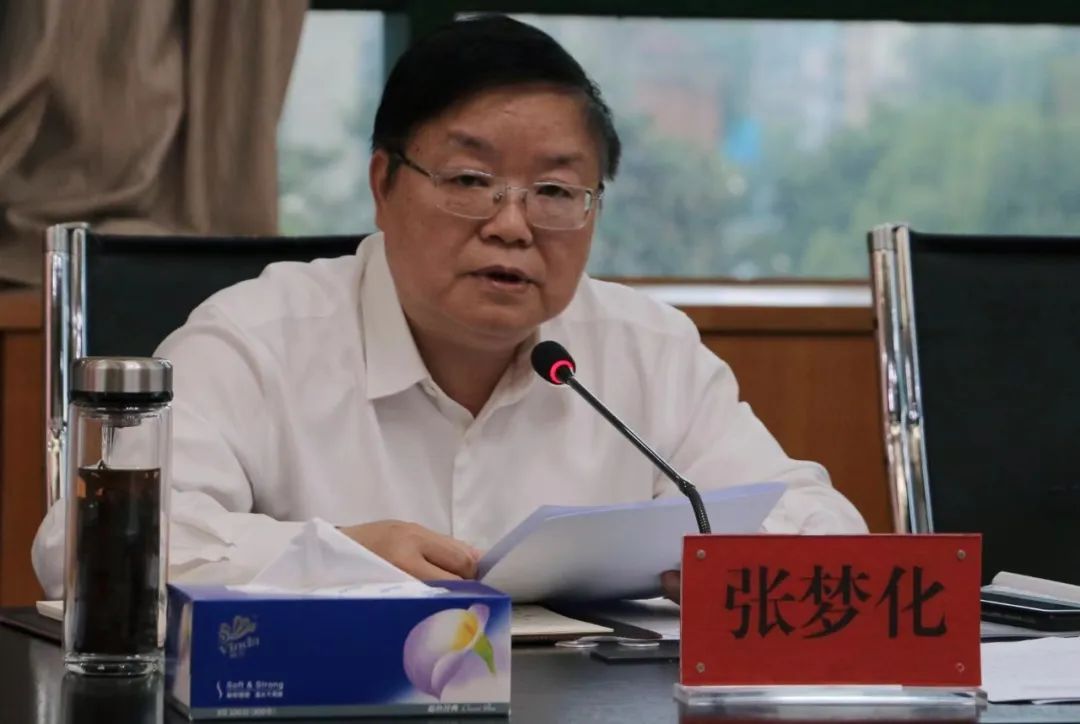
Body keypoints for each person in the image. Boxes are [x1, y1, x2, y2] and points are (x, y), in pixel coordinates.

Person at [32, 15, 866, 602]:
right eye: (471, 181)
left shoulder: (647, 350)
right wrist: (337, 559)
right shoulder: (258, 338)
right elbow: (84, 543)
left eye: (555, 192)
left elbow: (821, 529)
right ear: (384, 184)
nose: (512, 225)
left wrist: (735, 568)